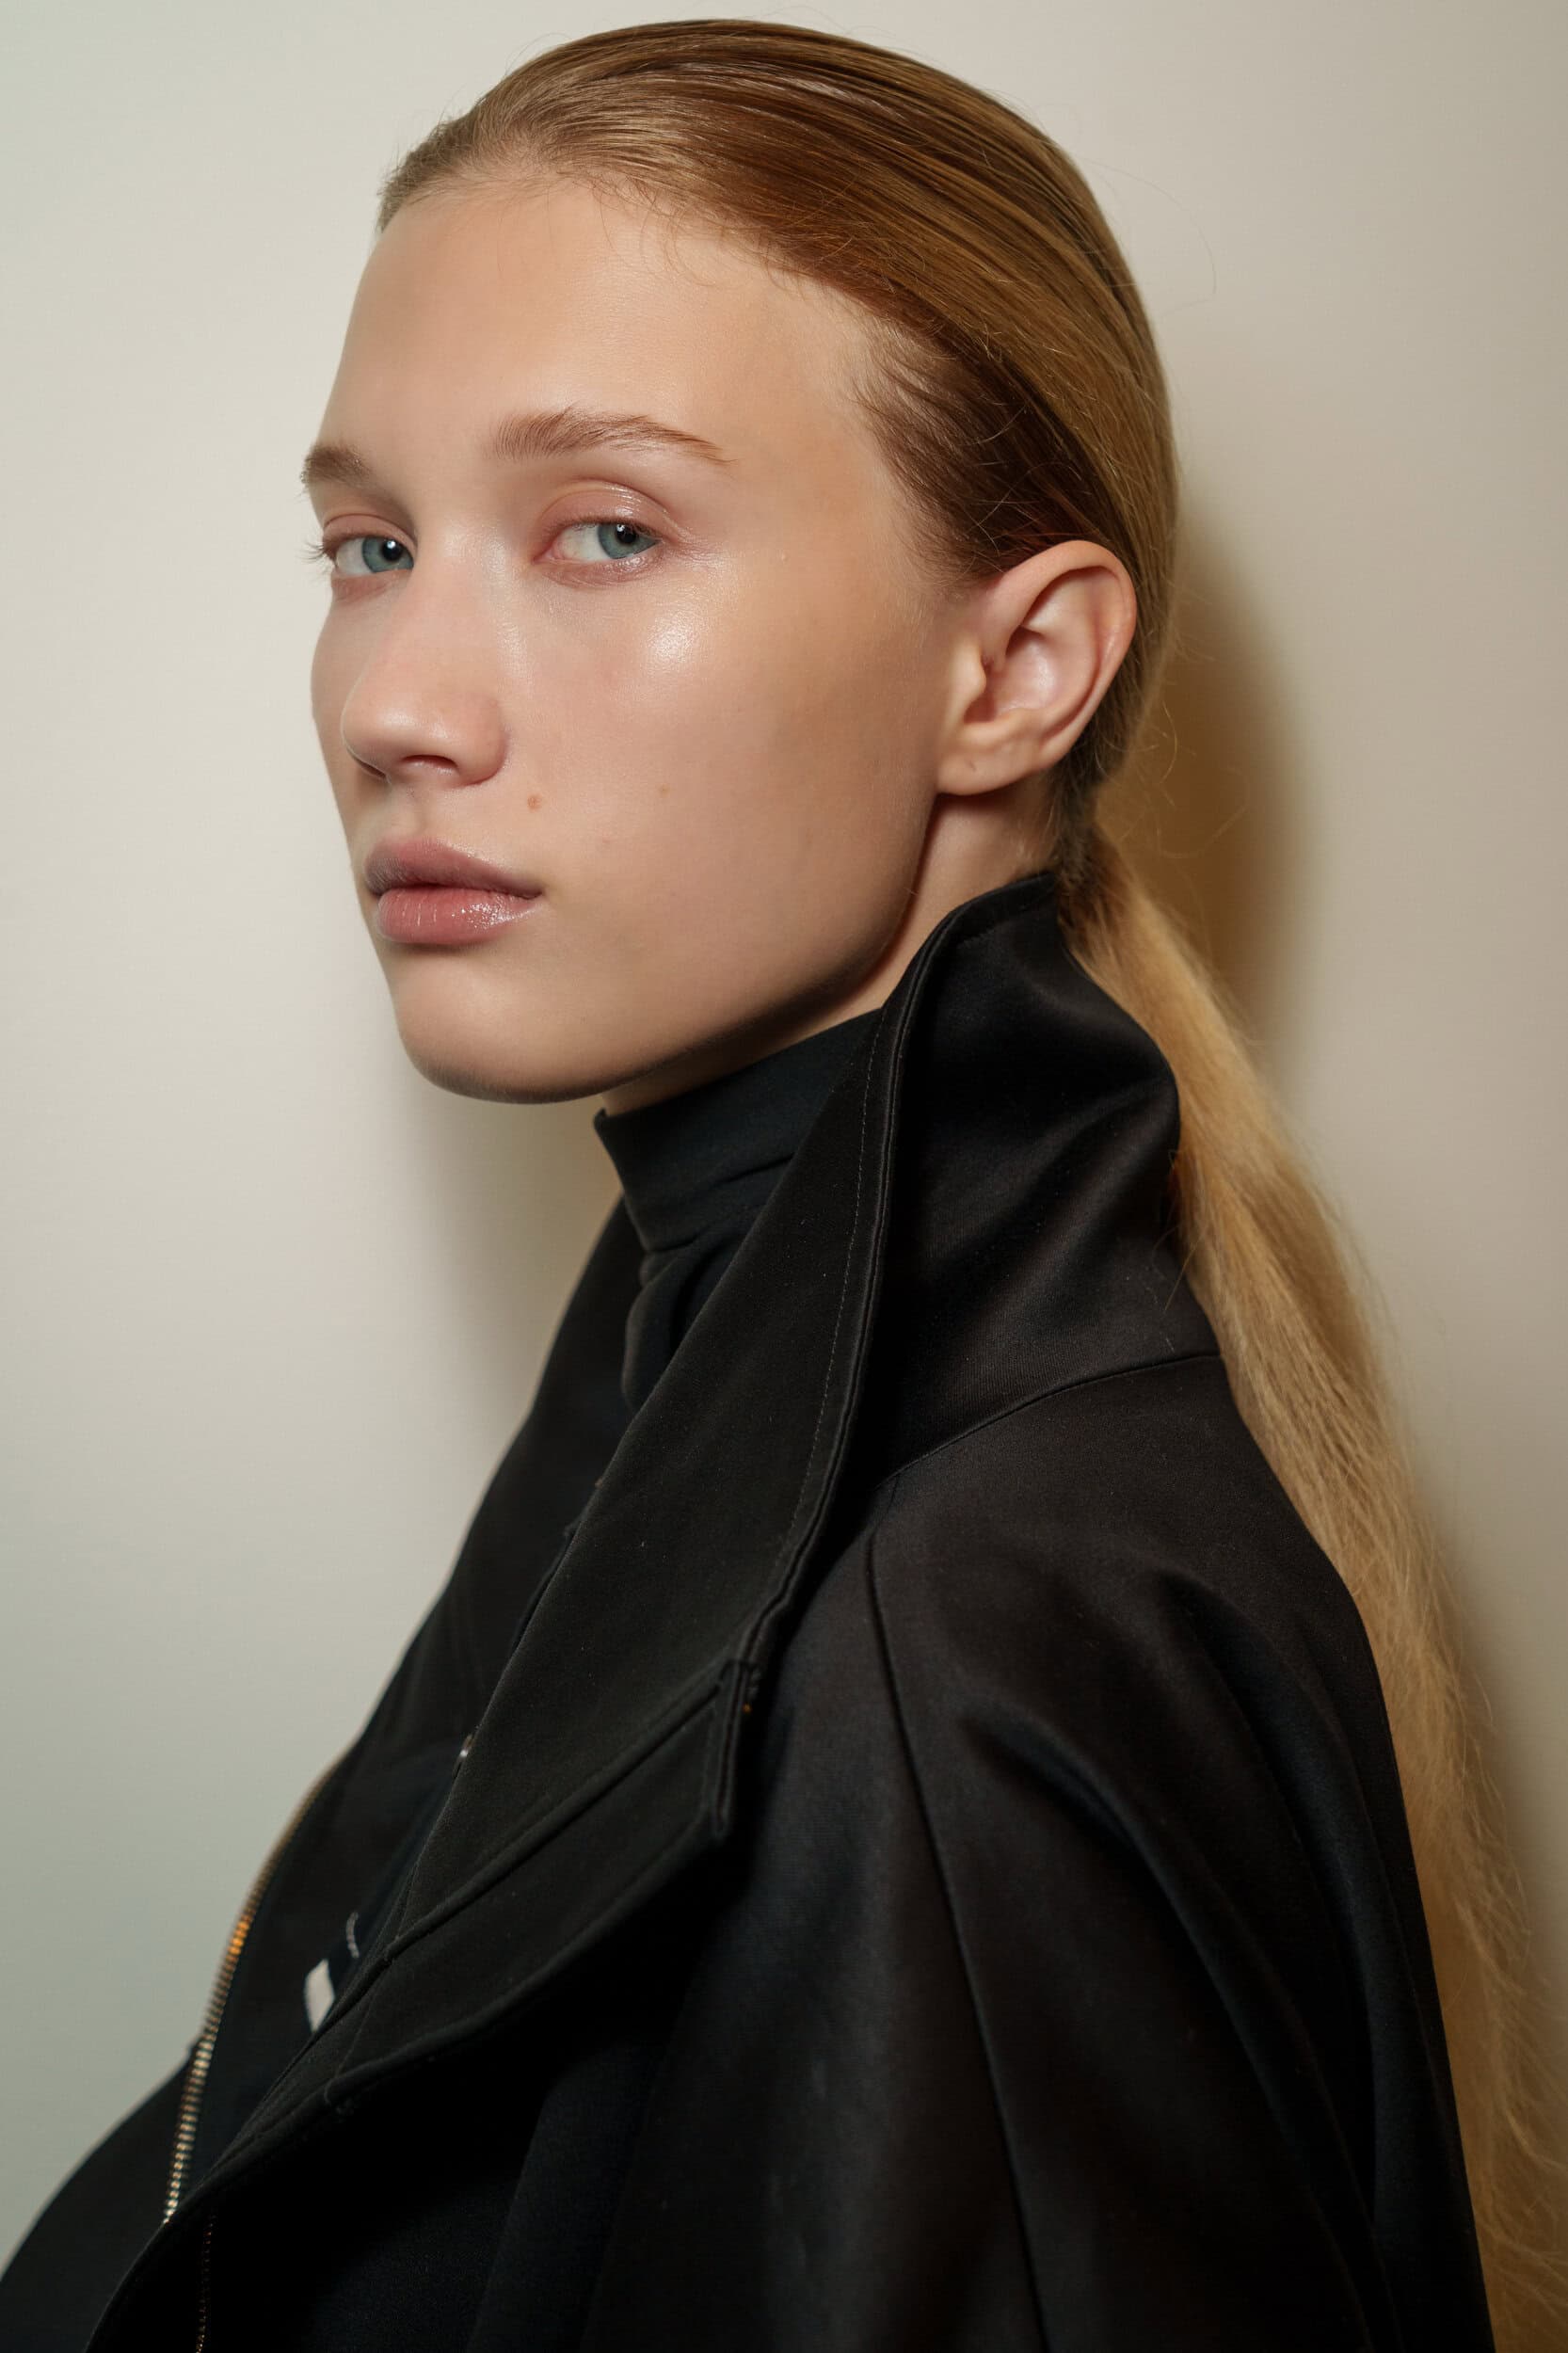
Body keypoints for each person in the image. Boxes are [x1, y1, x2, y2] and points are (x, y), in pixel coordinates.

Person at [3, 18, 1560, 2351]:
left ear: (1014, 668)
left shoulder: (951, 1653)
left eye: (604, 530)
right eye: (370, 545)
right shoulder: (745, 1378)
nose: (395, 700)